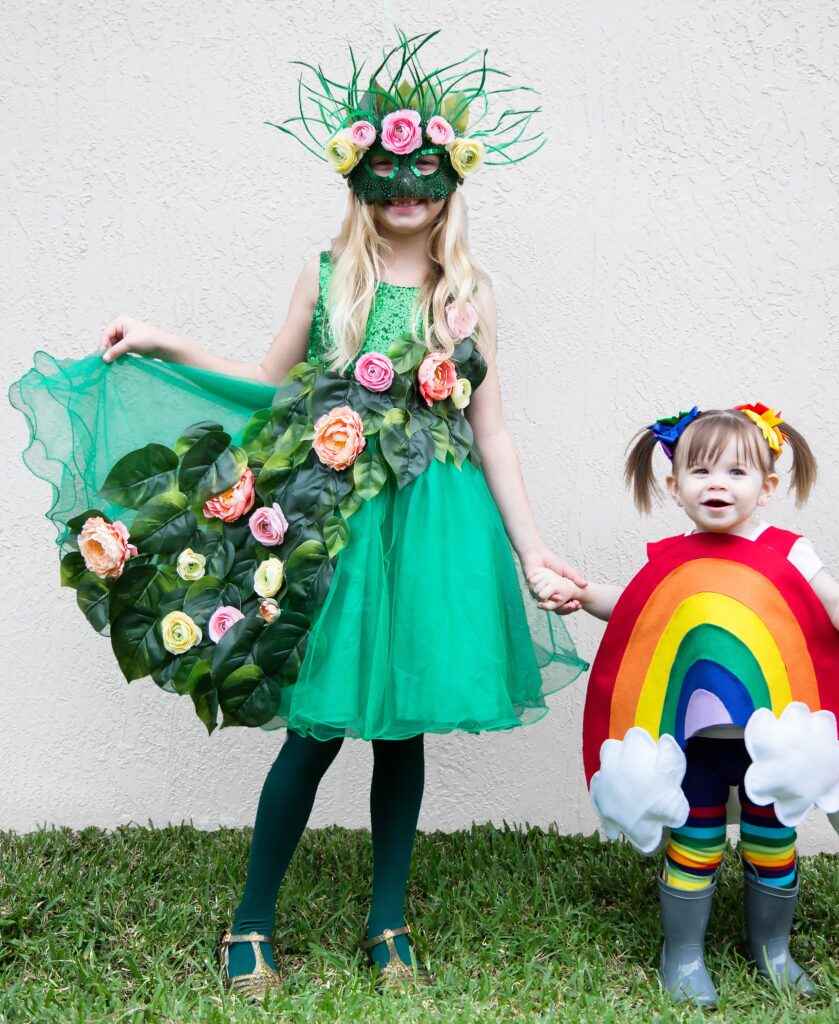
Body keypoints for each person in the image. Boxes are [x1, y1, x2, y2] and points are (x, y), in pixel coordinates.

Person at [10, 30, 587, 998]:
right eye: (387, 175)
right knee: (315, 727)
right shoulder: (330, 277)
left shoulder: (470, 294)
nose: (406, 192)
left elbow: (491, 431)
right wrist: (165, 340)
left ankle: (387, 919)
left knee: (403, 728)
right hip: (342, 527)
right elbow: (268, 382)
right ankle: (251, 921)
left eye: (423, 175)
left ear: (451, 181)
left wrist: (531, 551)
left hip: (435, 527)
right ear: (359, 180)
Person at [529, 405, 839, 1007]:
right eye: (699, 471)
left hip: (772, 750)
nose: (718, 483)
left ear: (768, 486)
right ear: (674, 488)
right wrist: (581, 594)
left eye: (736, 471)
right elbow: (632, 610)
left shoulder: (789, 553)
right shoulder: (671, 558)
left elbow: (837, 603)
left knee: (771, 841)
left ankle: (773, 950)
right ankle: (683, 955)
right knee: (694, 845)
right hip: (697, 752)